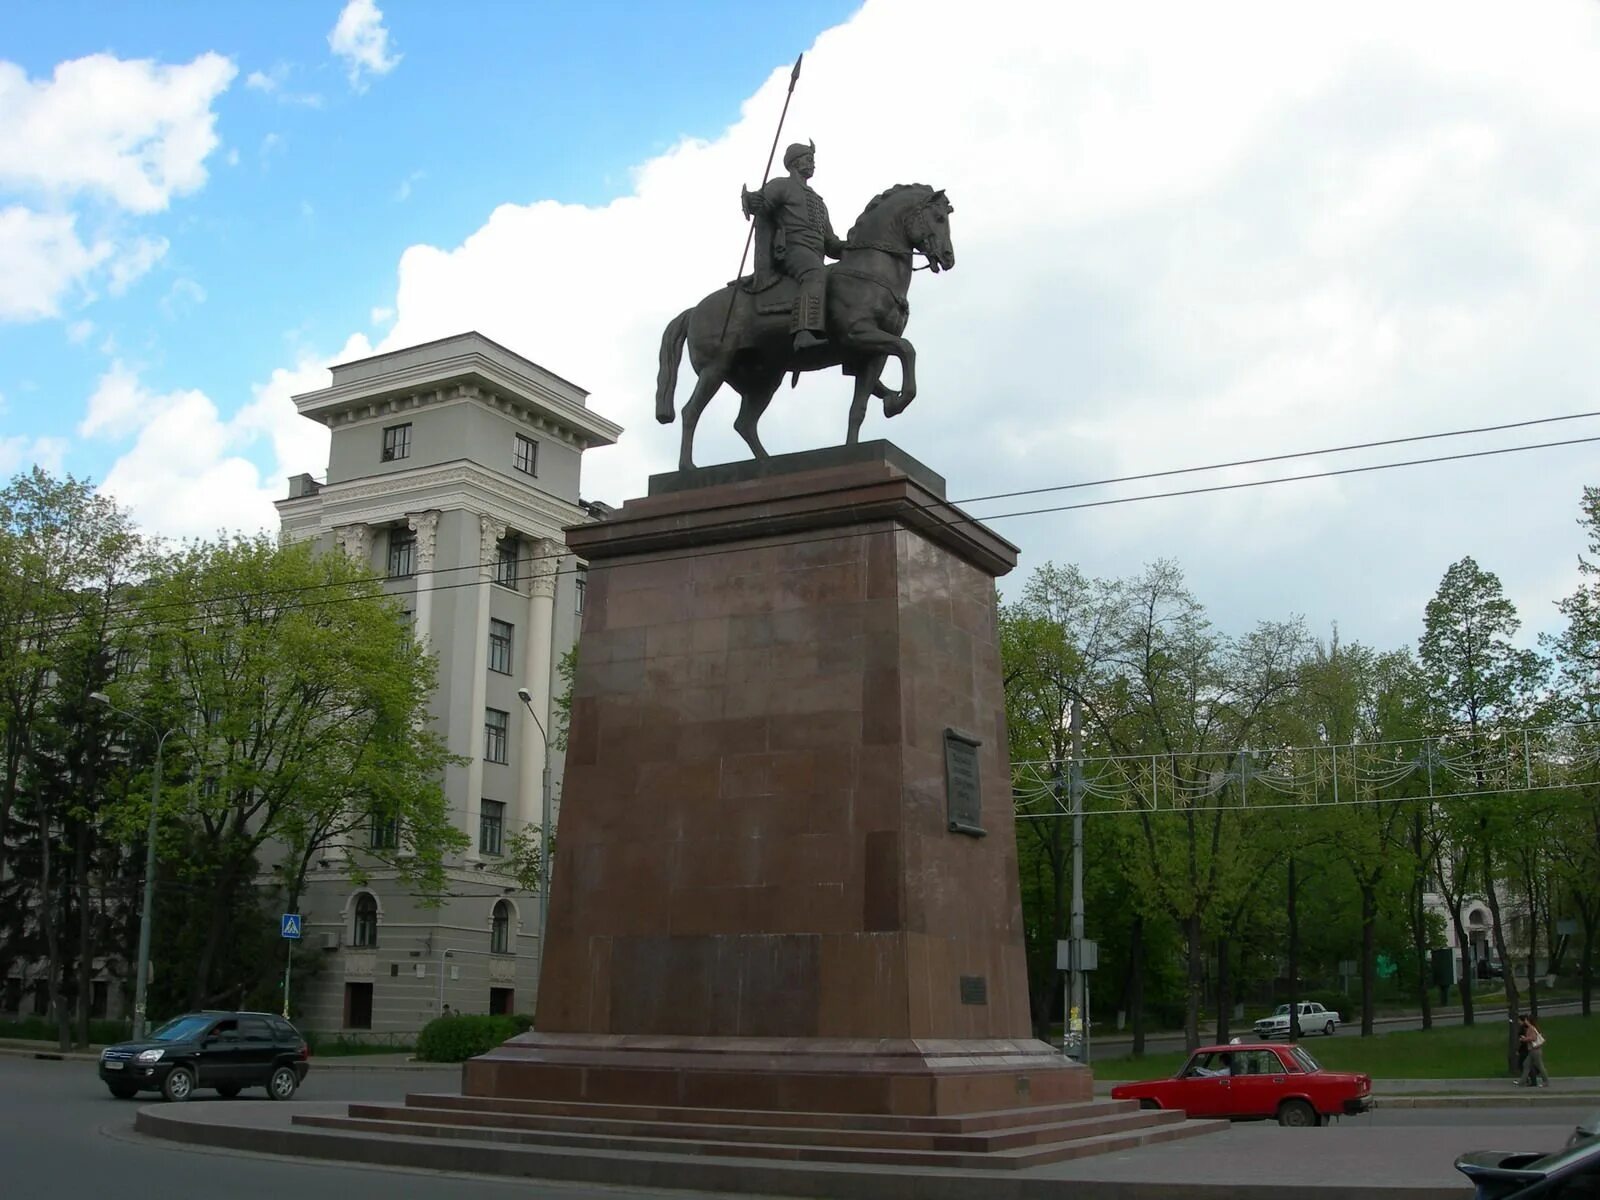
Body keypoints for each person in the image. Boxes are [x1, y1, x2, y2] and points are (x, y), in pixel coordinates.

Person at [741, 141, 847, 352]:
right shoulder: (781, 185)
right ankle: (804, 333)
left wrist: (853, 247)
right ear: (794, 163)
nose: (813, 164)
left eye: (813, 160)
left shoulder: (819, 202)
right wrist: (753, 200)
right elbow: (763, 205)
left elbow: (831, 243)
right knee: (814, 273)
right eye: (808, 159)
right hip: (793, 250)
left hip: (815, 253)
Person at [1518, 1017, 1550, 1088]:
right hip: (1532, 1050)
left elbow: (1533, 1038)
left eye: (1526, 1020)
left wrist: (1524, 1039)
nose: (1525, 1021)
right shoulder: (1531, 1028)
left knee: (1540, 1066)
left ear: (1528, 1021)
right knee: (1526, 1064)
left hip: (1535, 1050)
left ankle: (1546, 1081)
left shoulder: (1531, 1028)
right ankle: (1522, 1082)